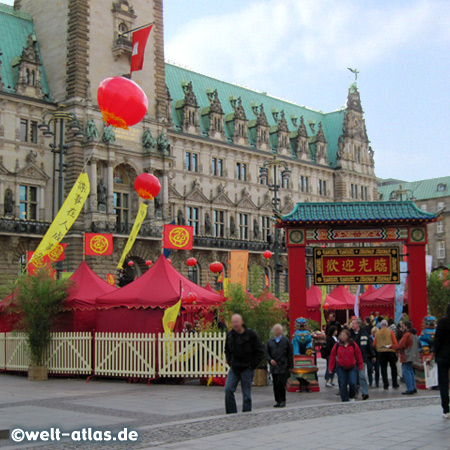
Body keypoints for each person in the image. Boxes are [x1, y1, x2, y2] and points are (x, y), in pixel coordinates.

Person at [224, 314, 264, 414]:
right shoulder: (230, 335)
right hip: (234, 367)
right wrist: (230, 361)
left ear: (241, 322)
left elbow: (260, 351)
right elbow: (227, 350)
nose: (235, 324)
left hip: (247, 368)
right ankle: (231, 413)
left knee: (246, 394)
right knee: (228, 390)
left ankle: (246, 413)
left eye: (236, 322)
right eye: (233, 322)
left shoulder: (251, 335)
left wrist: (253, 365)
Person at [329, 329, 363, 402]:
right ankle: (344, 400)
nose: (342, 337)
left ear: (348, 336)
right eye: (341, 335)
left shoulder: (353, 344)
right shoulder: (337, 345)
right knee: (342, 383)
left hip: (352, 366)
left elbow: (358, 354)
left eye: (344, 335)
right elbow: (332, 356)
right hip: (341, 367)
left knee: (353, 382)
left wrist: (360, 365)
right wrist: (330, 368)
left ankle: (351, 395)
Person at [266, 324, 294, 408]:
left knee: (281, 383)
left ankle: (283, 400)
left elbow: (290, 354)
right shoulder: (270, 341)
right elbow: (266, 353)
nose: (277, 332)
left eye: (278, 330)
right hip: (274, 367)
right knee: (275, 384)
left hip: (283, 366)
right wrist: (270, 360)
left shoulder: (286, 341)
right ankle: (277, 400)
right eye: (275, 330)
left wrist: (290, 367)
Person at [350, 318, 375, 400]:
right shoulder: (349, 334)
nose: (352, 325)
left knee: (362, 376)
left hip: (362, 358)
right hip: (351, 359)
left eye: (354, 323)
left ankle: (365, 392)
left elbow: (368, 346)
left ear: (358, 325)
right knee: (353, 377)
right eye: (352, 323)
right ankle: (354, 392)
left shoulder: (364, 333)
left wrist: (372, 355)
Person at [433, 304, 450, 419]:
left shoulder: (443, 322)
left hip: (443, 356)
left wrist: (434, 353)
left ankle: (446, 409)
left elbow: (437, 340)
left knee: (443, 383)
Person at [394, 320, 419, 395]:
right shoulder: (414, 334)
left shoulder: (407, 335)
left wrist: (392, 346)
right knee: (410, 370)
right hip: (412, 354)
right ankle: (413, 387)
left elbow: (401, 345)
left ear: (406, 326)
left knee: (406, 371)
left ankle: (410, 388)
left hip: (406, 355)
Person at [374, 319, 399, 389]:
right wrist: (396, 349)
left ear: (381, 325)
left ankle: (385, 384)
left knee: (383, 368)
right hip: (390, 351)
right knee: (393, 367)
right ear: (387, 325)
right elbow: (395, 341)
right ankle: (394, 383)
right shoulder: (390, 332)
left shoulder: (377, 333)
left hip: (381, 352)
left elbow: (374, 344)